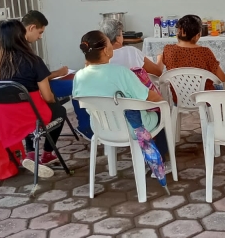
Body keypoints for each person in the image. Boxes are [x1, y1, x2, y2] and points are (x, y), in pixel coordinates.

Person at [72, 30, 171, 175]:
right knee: (160, 112)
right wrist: (163, 102)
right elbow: (147, 96)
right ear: (106, 50)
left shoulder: (79, 76)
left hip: (100, 128)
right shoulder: (121, 72)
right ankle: (159, 163)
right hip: (132, 129)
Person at [0, 19, 66, 178]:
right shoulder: (33, 61)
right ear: (21, 35)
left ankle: (31, 153)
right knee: (58, 110)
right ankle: (46, 154)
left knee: (24, 113)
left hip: (2, 118)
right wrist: (54, 103)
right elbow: (47, 97)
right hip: (31, 115)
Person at [21, 10, 93, 140]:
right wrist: (58, 73)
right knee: (77, 85)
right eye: (40, 32)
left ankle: (85, 126)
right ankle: (85, 127)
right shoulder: (25, 52)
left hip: (22, 93)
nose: (40, 37)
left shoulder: (2, 54)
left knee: (75, 84)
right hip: (35, 91)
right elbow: (37, 78)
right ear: (31, 28)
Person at [162, 15, 225, 101]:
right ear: (198, 35)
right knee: (219, 86)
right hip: (204, 100)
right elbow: (222, 78)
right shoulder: (205, 52)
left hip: (179, 100)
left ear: (178, 33)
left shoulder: (168, 50)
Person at [99, 18, 164, 75]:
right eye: (122, 34)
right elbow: (157, 72)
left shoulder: (97, 58)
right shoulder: (131, 52)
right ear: (118, 38)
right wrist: (161, 57)